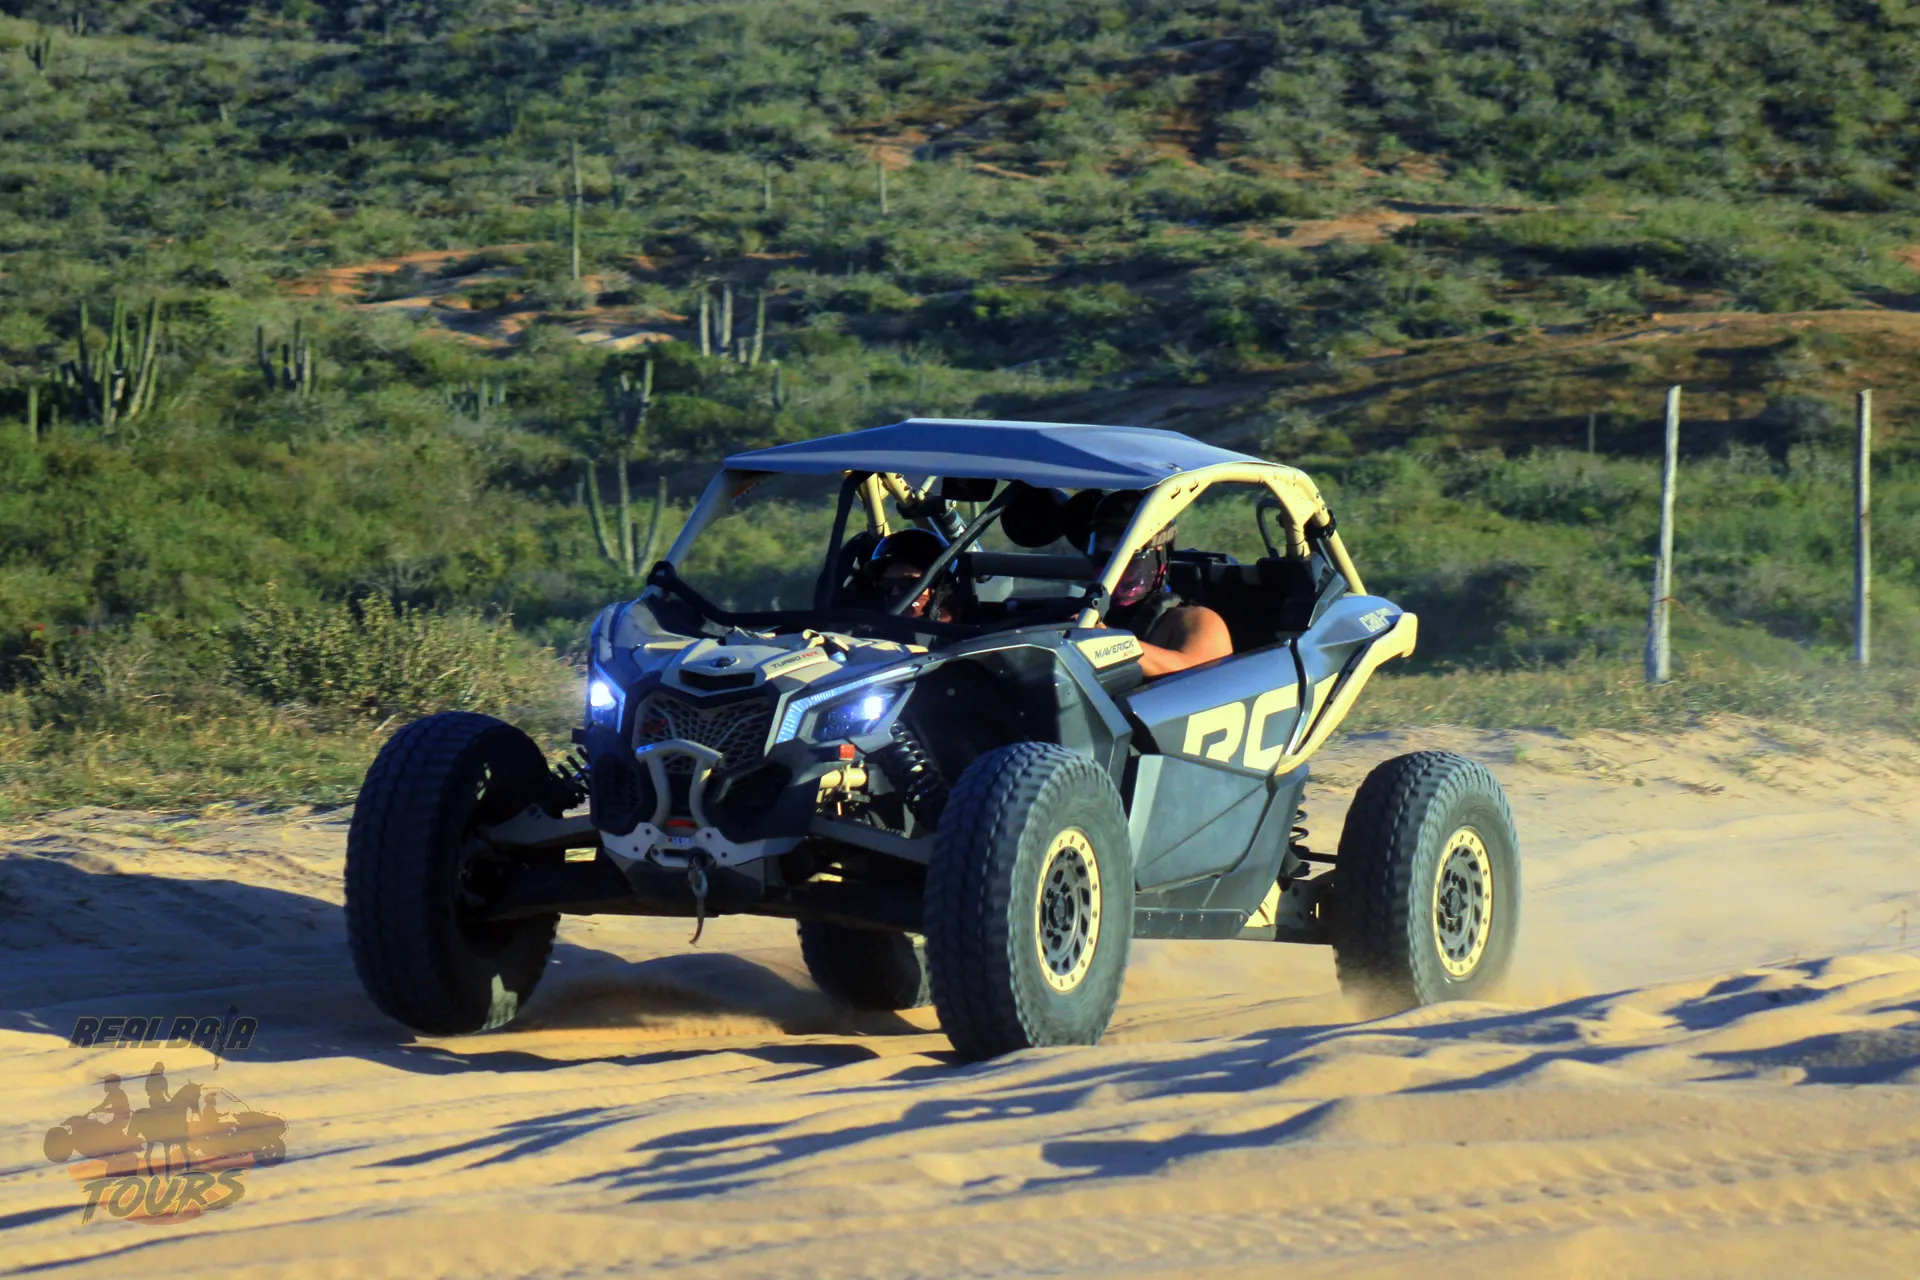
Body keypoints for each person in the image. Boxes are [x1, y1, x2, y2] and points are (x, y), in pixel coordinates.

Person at [1089, 493, 1232, 678]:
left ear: (1158, 553)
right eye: (1102, 548)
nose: (1111, 563)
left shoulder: (1199, 620)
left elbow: (1197, 674)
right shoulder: (1087, 614)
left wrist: (1106, 643)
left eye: (1122, 549)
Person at [852, 528, 956, 622]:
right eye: (887, 584)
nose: (895, 591)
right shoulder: (859, 633)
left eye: (908, 582)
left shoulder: (959, 639)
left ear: (937, 587)